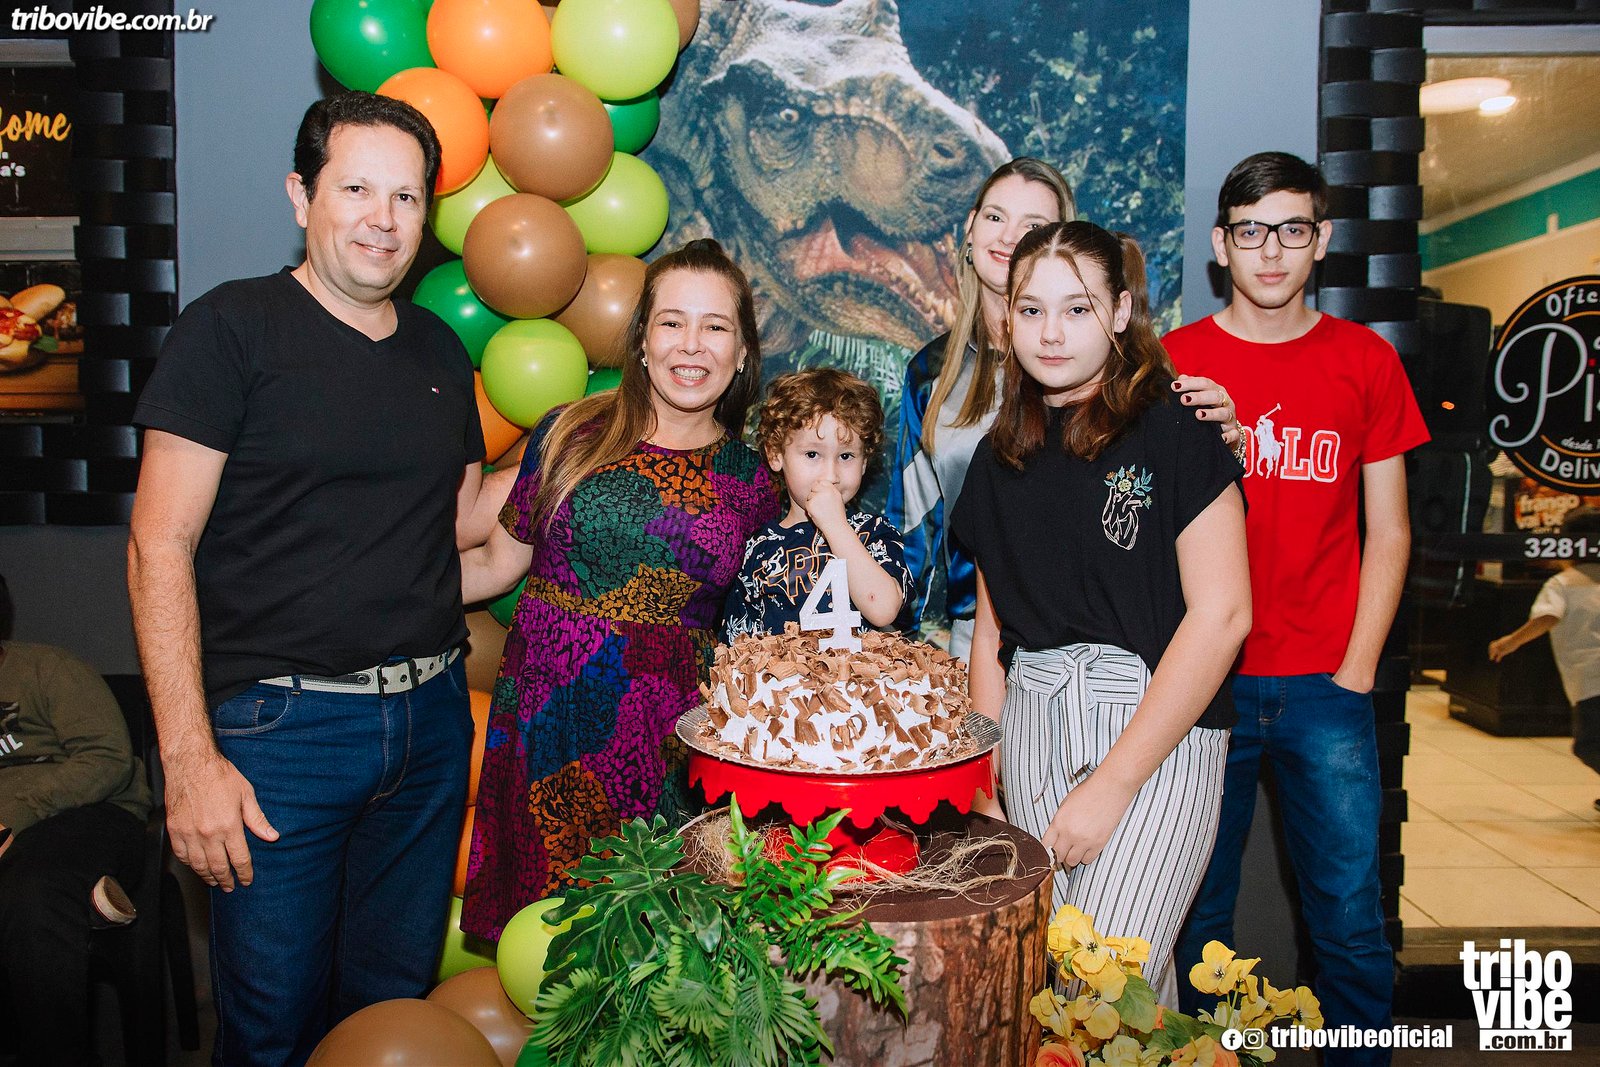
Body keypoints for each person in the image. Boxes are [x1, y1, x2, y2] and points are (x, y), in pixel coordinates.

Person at [128, 93, 493, 1067]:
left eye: (406, 197)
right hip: (280, 736)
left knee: (388, 1017)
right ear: (302, 195)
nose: (384, 218)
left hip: (428, 726)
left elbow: (460, 520)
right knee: (271, 1028)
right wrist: (187, 760)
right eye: (357, 189)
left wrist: (591, 448)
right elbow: (158, 544)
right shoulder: (230, 329)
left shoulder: (438, 348)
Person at [1167, 152, 1429, 1059]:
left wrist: (1357, 668)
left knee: (1349, 918)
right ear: (1220, 244)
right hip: (1207, 685)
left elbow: (1390, 531)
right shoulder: (1176, 363)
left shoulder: (1366, 360)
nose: (1271, 250)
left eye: (1291, 229)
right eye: (1251, 230)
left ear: (1322, 240)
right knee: (1198, 915)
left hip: (1326, 683)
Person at [950, 221, 1251, 1005]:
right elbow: (991, 633)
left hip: (1155, 722)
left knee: (1106, 984)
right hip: (1031, 722)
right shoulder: (998, 456)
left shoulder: (1177, 427)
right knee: (1077, 991)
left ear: (1120, 311)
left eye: (1077, 309)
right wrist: (984, 775)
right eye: (1032, 309)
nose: (1051, 333)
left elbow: (1223, 614)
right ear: (1006, 316)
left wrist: (1115, 782)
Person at [458, 239, 781, 940]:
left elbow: (755, 641)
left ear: (742, 353)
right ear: (641, 341)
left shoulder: (755, 481)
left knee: (647, 954)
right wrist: (369, 586)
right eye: (671, 322)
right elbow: (493, 565)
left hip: (667, 747)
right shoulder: (571, 432)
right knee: (541, 945)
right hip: (547, 727)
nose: (690, 344)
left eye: (715, 326)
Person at [889, 158, 1241, 659]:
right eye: (995, 216)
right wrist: (903, 644)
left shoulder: (1115, 364)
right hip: (975, 635)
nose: (1009, 236)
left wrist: (1225, 438)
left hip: (1118, 645)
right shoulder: (932, 372)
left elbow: (1172, 477)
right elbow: (913, 522)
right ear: (969, 227)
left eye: (1032, 226)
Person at [0, 573, 149, 1067]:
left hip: (89, 812)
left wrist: (12, 817)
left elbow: (108, 759)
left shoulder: (47, 668)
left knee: (35, 890)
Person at [723, 368, 912, 641]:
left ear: (864, 463)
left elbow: (882, 610)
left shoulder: (875, 534)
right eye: (812, 454)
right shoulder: (757, 548)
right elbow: (736, 644)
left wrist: (836, 525)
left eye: (846, 456)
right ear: (776, 455)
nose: (830, 475)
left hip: (856, 669)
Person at [1489, 507, 1600, 809]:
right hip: (1589, 677)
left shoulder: (1563, 583)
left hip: (1591, 678)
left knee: (1589, 743)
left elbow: (1547, 617)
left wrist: (1510, 642)